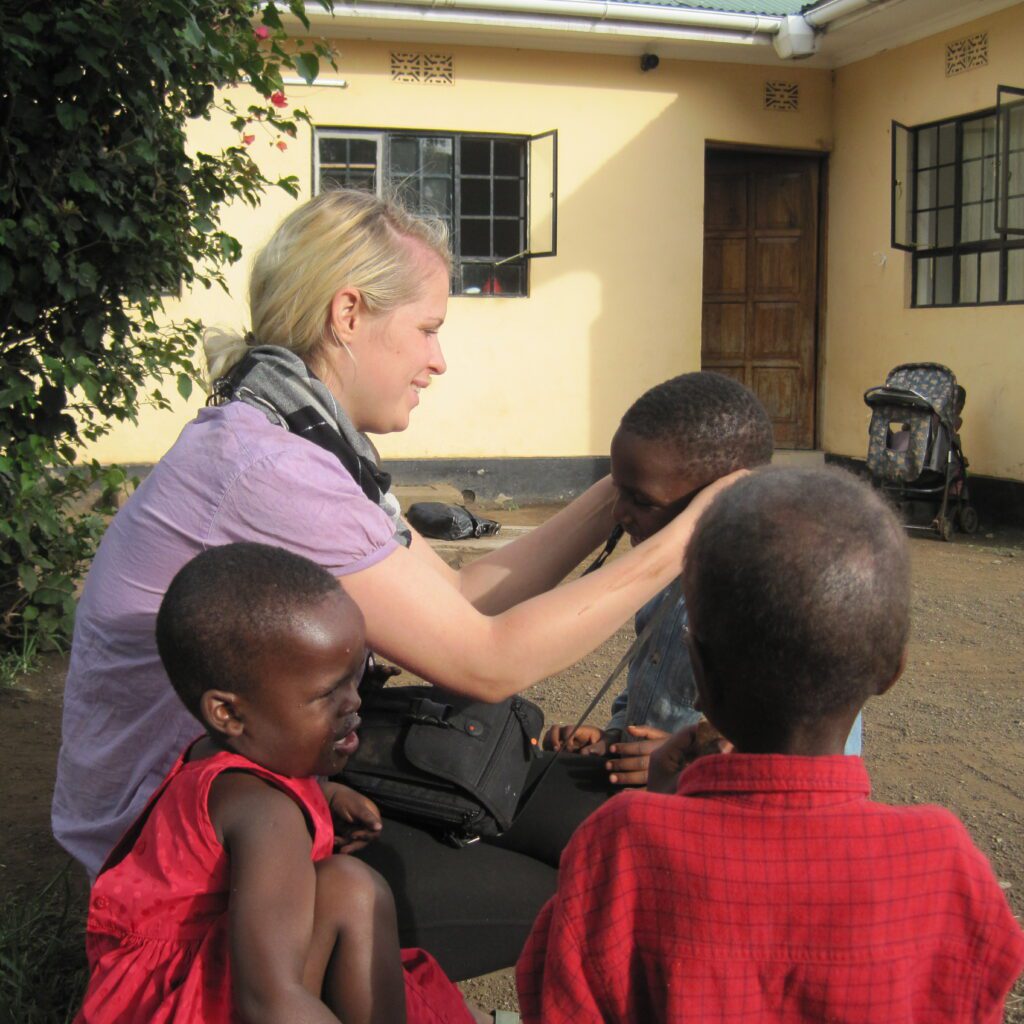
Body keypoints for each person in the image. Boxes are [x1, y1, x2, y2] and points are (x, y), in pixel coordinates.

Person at [52, 188, 736, 980]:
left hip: (254, 766)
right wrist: (693, 530)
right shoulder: (271, 471)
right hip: (186, 839)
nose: (437, 361)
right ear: (348, 313)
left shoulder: (294, 438)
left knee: (602, 824)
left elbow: (463, 598)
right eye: (428, 328)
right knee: (586, 887)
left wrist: (628, 485)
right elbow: (486, 660)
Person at [517, 466, 1024, 1023]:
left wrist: (660, 804)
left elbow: (553, 999)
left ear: (700, 672)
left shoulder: (621, 846)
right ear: (891, 672)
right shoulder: (943, 862)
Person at [75, 542, 479, 1024]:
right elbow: (269, 1003)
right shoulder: (266, 813)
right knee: (352, 889)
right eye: (327, 693)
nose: (353, 703)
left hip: (149, 990)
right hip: (192, 1008)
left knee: (339, 885)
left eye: (355, 678)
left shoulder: (223, 762)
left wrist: (324, 795)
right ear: (228, 713)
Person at [543, 372, 775, 785]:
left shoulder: (764, 605)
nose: (618, 513)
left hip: (708, 803)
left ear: (718, 501)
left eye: (642, 501)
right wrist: (615, 737)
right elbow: (646, 688)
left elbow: (791, 745)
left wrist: (687, 759)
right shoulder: (664, 577)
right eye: (618, 490)